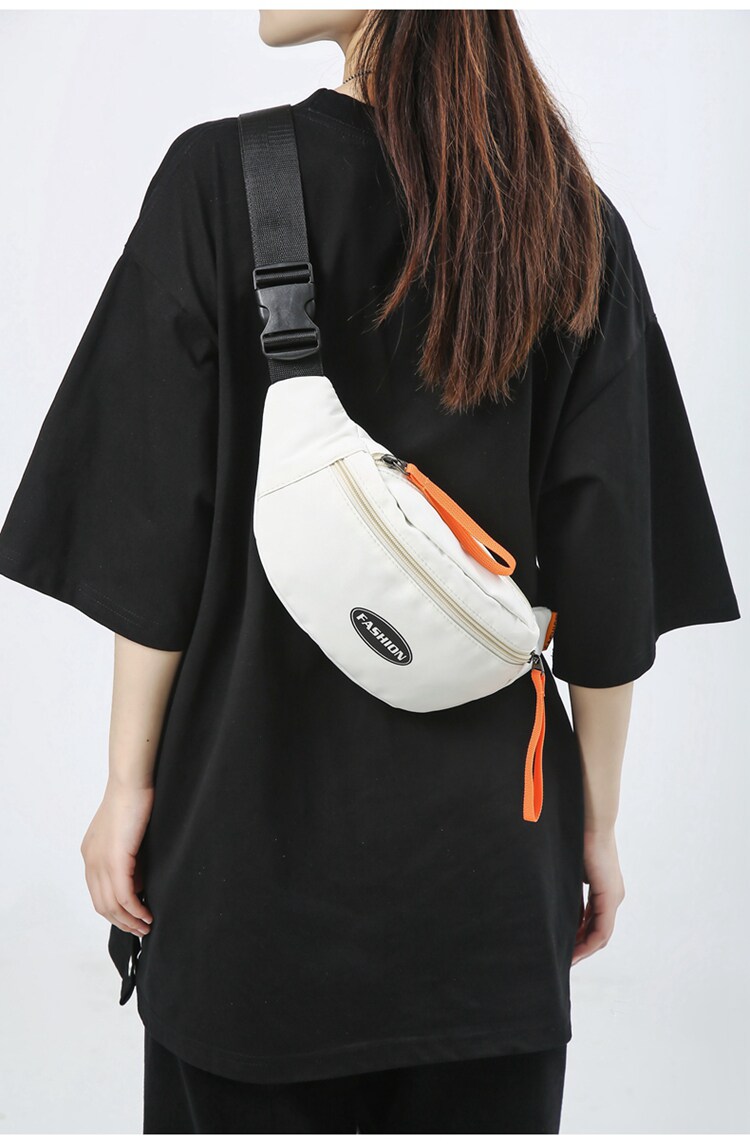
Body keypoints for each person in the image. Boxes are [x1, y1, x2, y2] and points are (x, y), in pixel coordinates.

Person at [0, 9, 740, 1135]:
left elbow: (152, 534)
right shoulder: (573, 222)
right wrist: (595, 828)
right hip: (491, 900)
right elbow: (611, 581)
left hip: (247, 880)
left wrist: (126, 785)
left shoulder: (222, 182)